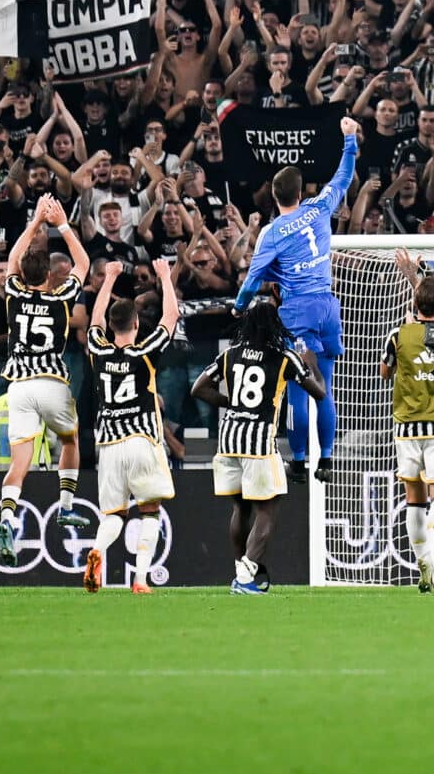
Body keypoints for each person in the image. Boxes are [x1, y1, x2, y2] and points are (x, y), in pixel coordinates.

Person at [237, 115, 361, 478]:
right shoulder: (320, 207)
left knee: (297, 389)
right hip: (327, 306)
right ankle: (328, 459)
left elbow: (252, 278)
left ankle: (301, 460)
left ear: (275, 196)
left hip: (298, 311)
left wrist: (239, 306)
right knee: (325, 385)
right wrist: (349, 138)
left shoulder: (273, 233)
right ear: (301, 191)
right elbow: (343, 176)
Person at [190, 295, 322, 595]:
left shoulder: (230, 354)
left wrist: (229, 402)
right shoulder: (284, 357)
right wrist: (311, 364)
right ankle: (246, 576)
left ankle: (240, 571)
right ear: (275, 326)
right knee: (267, 512)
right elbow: (319, 393)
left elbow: (198, 388)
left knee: (240, 508)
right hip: (259, 442)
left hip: (228, 438)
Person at [0, 195, 96, 561]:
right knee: (70, 440)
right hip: (52, 381)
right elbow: (83, 263)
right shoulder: (63, 296)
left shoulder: (14, 294)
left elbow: (11, 259)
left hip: (18, 386)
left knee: (18, 464)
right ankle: (65, 504)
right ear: (51, 276)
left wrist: (35, 223)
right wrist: (62, 224)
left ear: (22, 274)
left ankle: (7, 515)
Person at [80, 258, 181, 593]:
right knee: (150, 511)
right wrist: (165, 277)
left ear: (111, 326)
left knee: (113, 514)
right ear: (136, 324)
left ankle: (97, 550)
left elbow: (94, 320)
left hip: (108, 445)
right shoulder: (145, 354)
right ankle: (140, 579)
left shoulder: (97, 349)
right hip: (141, 440)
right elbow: (170, 318)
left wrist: (108, 278)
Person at [380, 249, 434, 591]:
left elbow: (385, 373)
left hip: (406, 427)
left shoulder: (398, 335)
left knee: (413, 499)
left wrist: (415, 281)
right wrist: (422, 281)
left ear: (414, 303)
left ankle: (424, 562)